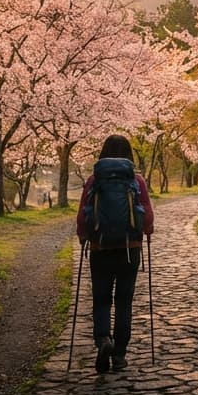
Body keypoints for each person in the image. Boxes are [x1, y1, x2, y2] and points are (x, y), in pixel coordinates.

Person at [76, 134, 154, 372]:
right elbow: (148, 216)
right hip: (129, 250)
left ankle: (103, 340)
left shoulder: (94, 179)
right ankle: (119, 354)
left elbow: (82, 214)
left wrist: (83, 237)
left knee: (101, 299)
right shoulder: (136, 180)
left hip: (100, 248)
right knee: (124, 302)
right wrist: (147, 232)